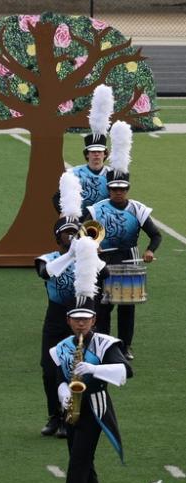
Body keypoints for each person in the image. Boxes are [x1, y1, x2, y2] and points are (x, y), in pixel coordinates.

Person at [49, 265, 128, 483]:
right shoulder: (62, 347)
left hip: (95, 407)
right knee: (81, 461)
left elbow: (125, 372)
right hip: (73, 407)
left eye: (86, 319)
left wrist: (93, 370)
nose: (81, 323)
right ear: (69, 321)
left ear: (94, 320)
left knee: (79, 461)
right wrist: (63, 394)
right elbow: (59, 377)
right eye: (76, 319)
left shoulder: (106, 344)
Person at [88, 134, 159, 355]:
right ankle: (105, 345)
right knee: (104, 306)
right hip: (103, 262)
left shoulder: (137, 209)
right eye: (114, 189)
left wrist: (149, 250)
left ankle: (125, 345)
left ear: (127, 190)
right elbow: (85, 232)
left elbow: (155, 235)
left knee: (127, 308)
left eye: (122, 189)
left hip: (129, 260)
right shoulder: (97, 208)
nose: (119, 192)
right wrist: (93, 245)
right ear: (109, 189)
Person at [35, 191, 82, 439]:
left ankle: (68, 419)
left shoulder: (86, 258)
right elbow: (46, 273)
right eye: (67, 233)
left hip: (79, 317)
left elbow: (104, 275)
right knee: (48, 368)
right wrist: (70, 255)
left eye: (75, 233)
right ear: (58, 236)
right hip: (55, 317)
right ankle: (54, 415)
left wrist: (84, 254)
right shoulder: (49, 258)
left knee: (71, 370)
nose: (71, 237)